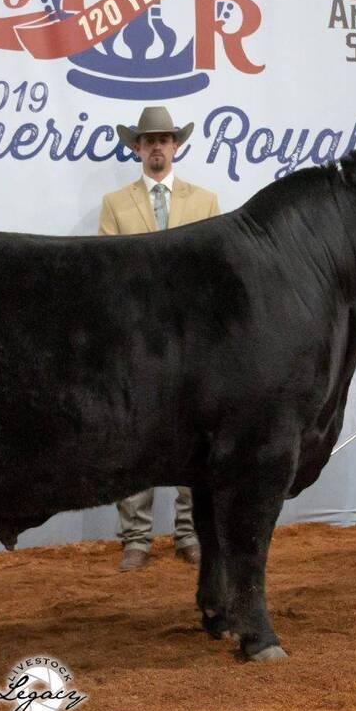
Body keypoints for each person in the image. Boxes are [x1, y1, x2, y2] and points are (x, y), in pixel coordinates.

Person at [98, 106, 220, 573]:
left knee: (197, 434)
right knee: (133, 435)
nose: (156, 147)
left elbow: (215, 268)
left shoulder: (205, 201)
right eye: (148, 140)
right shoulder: (115, 204)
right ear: (136, 147)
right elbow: (107, 270)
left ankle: (189, 532)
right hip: (135, 337)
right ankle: (136, 537)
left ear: (175, 146)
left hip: (194, 339)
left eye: (164, 139)